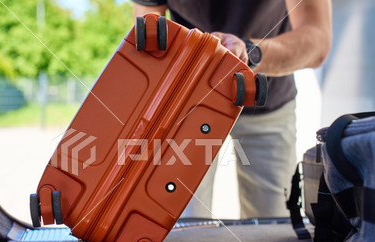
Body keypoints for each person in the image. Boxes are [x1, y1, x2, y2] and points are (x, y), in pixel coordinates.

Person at [132, 0, 332, 219]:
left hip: (267, 102)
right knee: (182, 222)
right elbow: (149, 31)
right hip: (190, 103)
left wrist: (247, 53)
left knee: (272, 225)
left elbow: (317, 40)